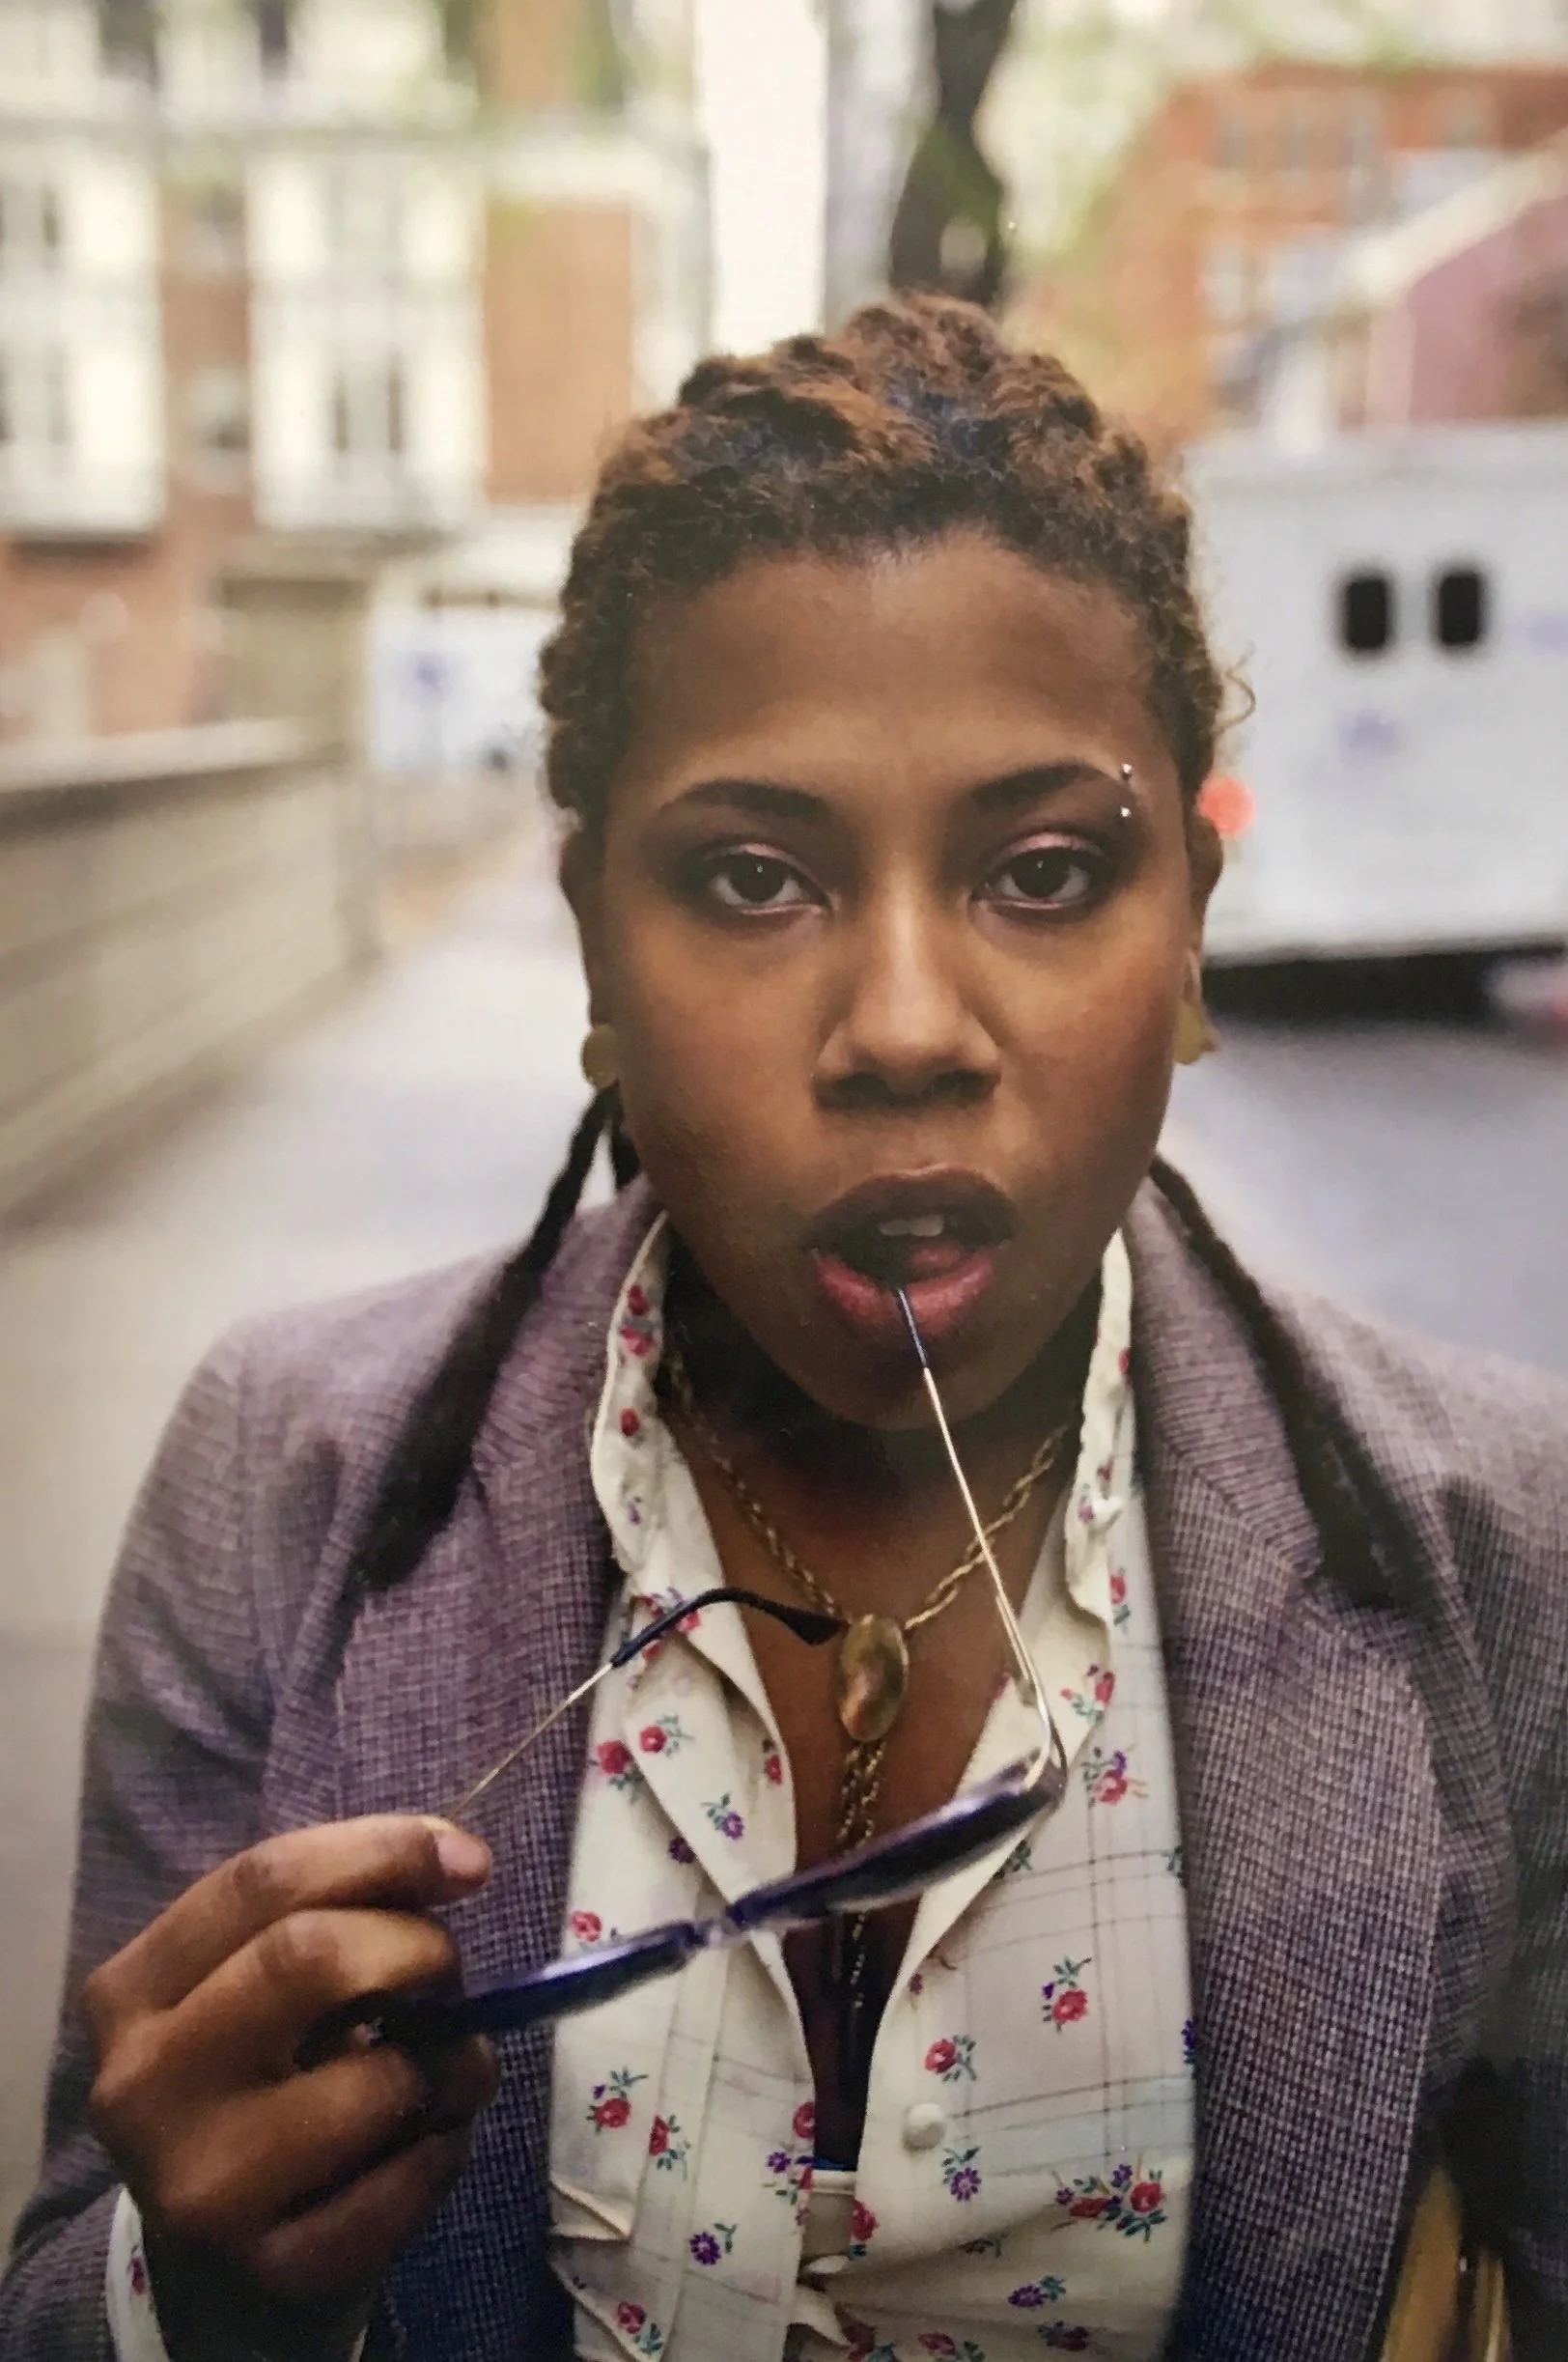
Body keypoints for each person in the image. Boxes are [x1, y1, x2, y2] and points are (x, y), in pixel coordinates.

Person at [3, 296, 1564, 2362]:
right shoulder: (283, 1479)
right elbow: (68, 2269)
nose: (904, 1027)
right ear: (594, 944)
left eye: (1044, 869)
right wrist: (181, 2291)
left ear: (1189, 921)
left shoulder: (1504, 1544)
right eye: (752, 880)